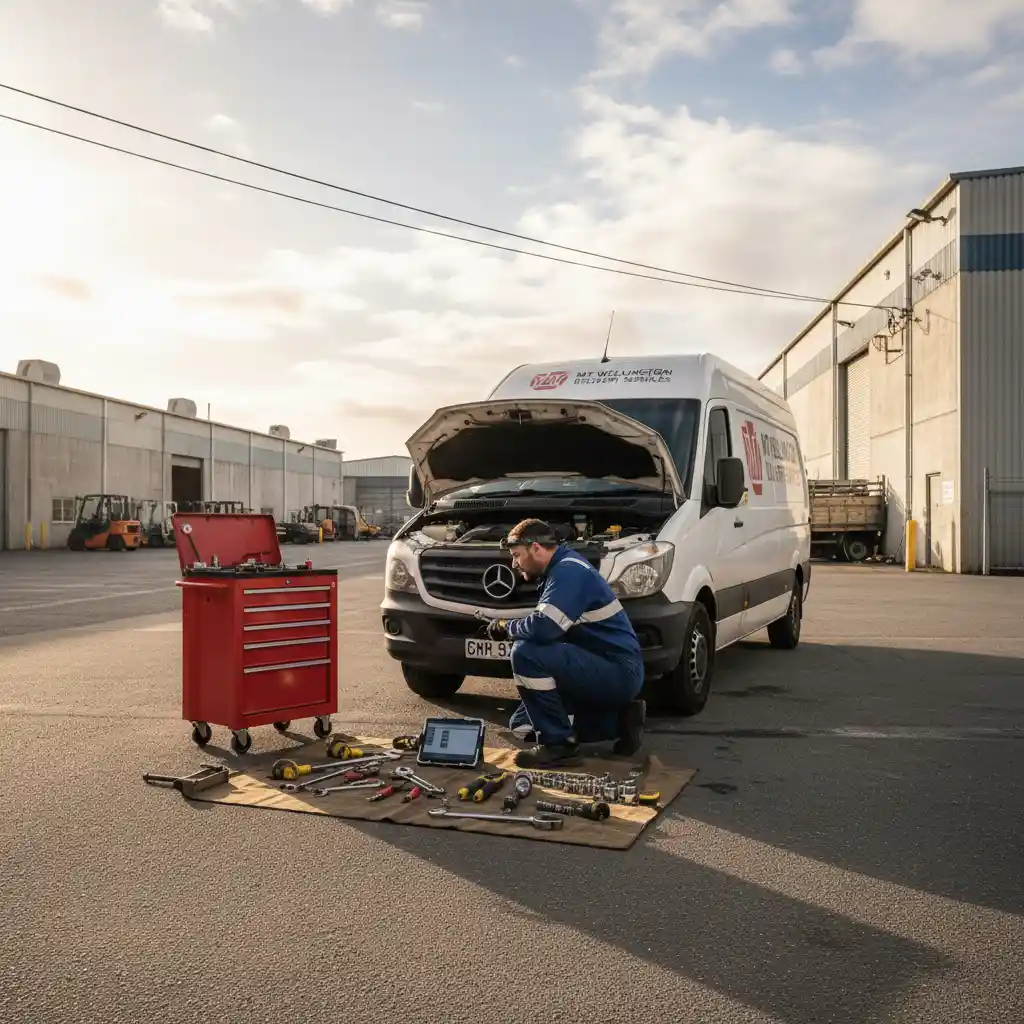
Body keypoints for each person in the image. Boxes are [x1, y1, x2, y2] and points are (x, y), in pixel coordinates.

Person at [483, 518, 646, 769]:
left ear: (536, 548)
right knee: (522, 726)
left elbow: (545, 628)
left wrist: (507, 627)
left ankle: (560, 747)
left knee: (525, 653)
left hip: (618, 671)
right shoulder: (560, 568)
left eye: (516, 555)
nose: (513, 564)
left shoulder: (569, 572)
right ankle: (619, 721)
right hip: (600, 664)